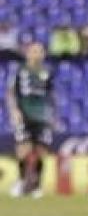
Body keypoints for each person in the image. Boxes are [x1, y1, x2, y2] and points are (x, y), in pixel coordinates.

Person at [6, 42, 54, 198]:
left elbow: (51, 96)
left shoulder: (47, 73)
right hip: (24, 115)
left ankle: (36, 186)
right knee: (23, 150)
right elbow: (10, 92)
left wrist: (53, 115)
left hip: (42, 116)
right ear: (27, 53)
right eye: (34, 51)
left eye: (40, 51)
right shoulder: (20, 71)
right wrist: (14, 110)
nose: (37, 54)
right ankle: (21, 182)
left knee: (41, 152)